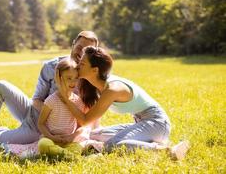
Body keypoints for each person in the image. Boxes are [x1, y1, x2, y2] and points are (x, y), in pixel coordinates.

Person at [0, 31, 99, 150]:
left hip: (40, 129)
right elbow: (36, 100)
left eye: (86, 50)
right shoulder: (51, 66)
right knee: (0, 86)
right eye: (79, 47)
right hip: (35, 113)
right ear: (73, 44)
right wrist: (50, 111)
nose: (81, 52)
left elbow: (88, 118)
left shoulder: (91, 77)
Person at [57, 46, 189, 160]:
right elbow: (88, 121)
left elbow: (85, 120)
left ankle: (166, 150)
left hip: (157, 123)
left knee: (112, 145)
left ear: (95, 70)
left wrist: (65, 98)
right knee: (92, 134)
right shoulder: (97, 84)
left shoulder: (112, 89)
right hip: (142, 122)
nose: (78, 65)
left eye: (83, 63)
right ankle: (144, 141)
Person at [37, 57, 92, 159]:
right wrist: (51, 137)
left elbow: (81, 126)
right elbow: (41, 123)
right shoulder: (51, 100)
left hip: (68, 141)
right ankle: (71, 157)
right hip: (50, 139)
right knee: (43, 145)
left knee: (77, 147)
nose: (73, 82)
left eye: (76, 78)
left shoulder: (78, 101)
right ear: (59, 78)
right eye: (69, 78)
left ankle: (63, 154)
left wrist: (72, 137)